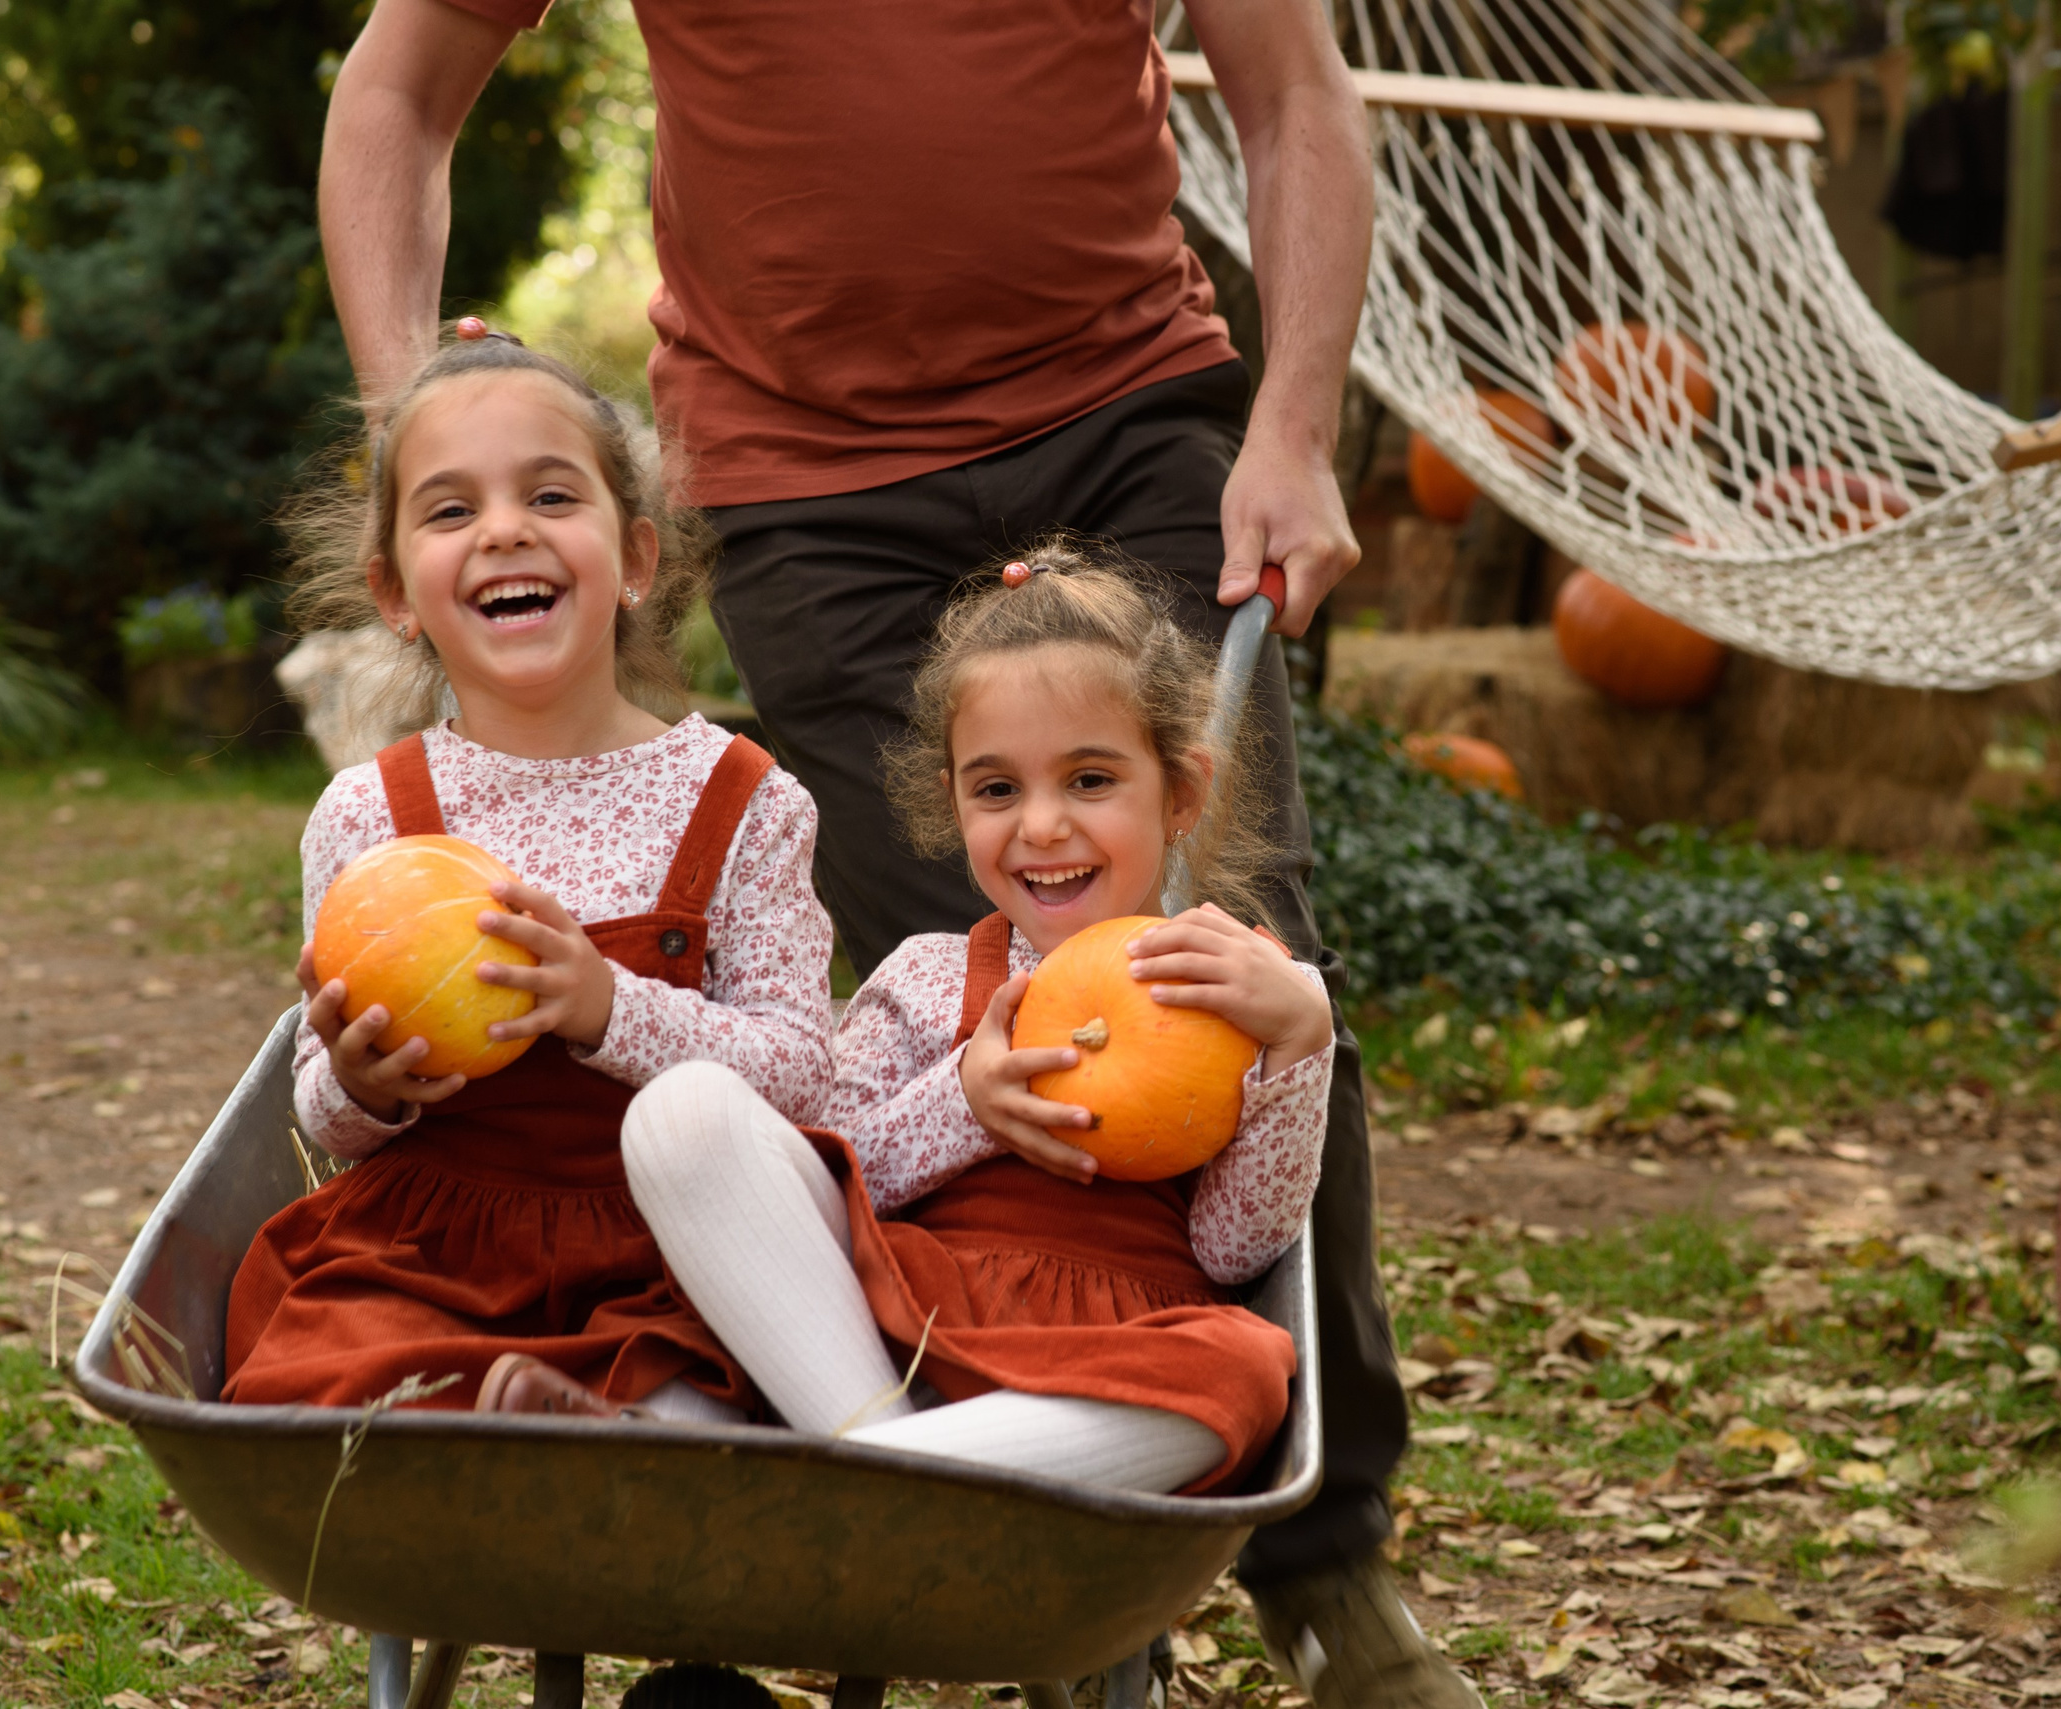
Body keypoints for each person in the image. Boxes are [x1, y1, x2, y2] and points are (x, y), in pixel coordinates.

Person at [319, 4, 1467, 1701]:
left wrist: (1291, 427)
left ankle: (1315, 1559)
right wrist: (409, 411)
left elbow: (1295, 86)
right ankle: (1027, 1553)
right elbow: (400, 85)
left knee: (1224, 971)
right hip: (805, 478)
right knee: (960, 1005)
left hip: (1126, 404)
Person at [621, 552, 1331, 1496]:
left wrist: (1300, 1042)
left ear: (1182, 794)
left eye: (1089, 779)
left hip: (1108, 1359)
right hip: (900, 1338)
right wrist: (964, 1102)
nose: (1039, 825)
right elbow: (830, 1172)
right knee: (687, 1112)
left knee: (1242, 1369)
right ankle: (880, 1443)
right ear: (955, 802)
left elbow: (1234, 1251)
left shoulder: (1224, 980)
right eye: (997, 789)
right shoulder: (928, 975)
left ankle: (872, 1473)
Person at [224, 325, 835, 1419]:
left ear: (637, 559)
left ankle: (634, 1429)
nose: (505, 530)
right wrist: (367, 1085)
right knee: (345, 1367)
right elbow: (319, 1105)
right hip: (437, 1246)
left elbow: (800, 1076)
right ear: (396, 590)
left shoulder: (744, 800)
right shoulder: (369, 813)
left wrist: (611, 1007)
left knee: (719, 1366)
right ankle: (522, 1437)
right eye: (452, 510)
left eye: (551, 497)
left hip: (673, 1241)